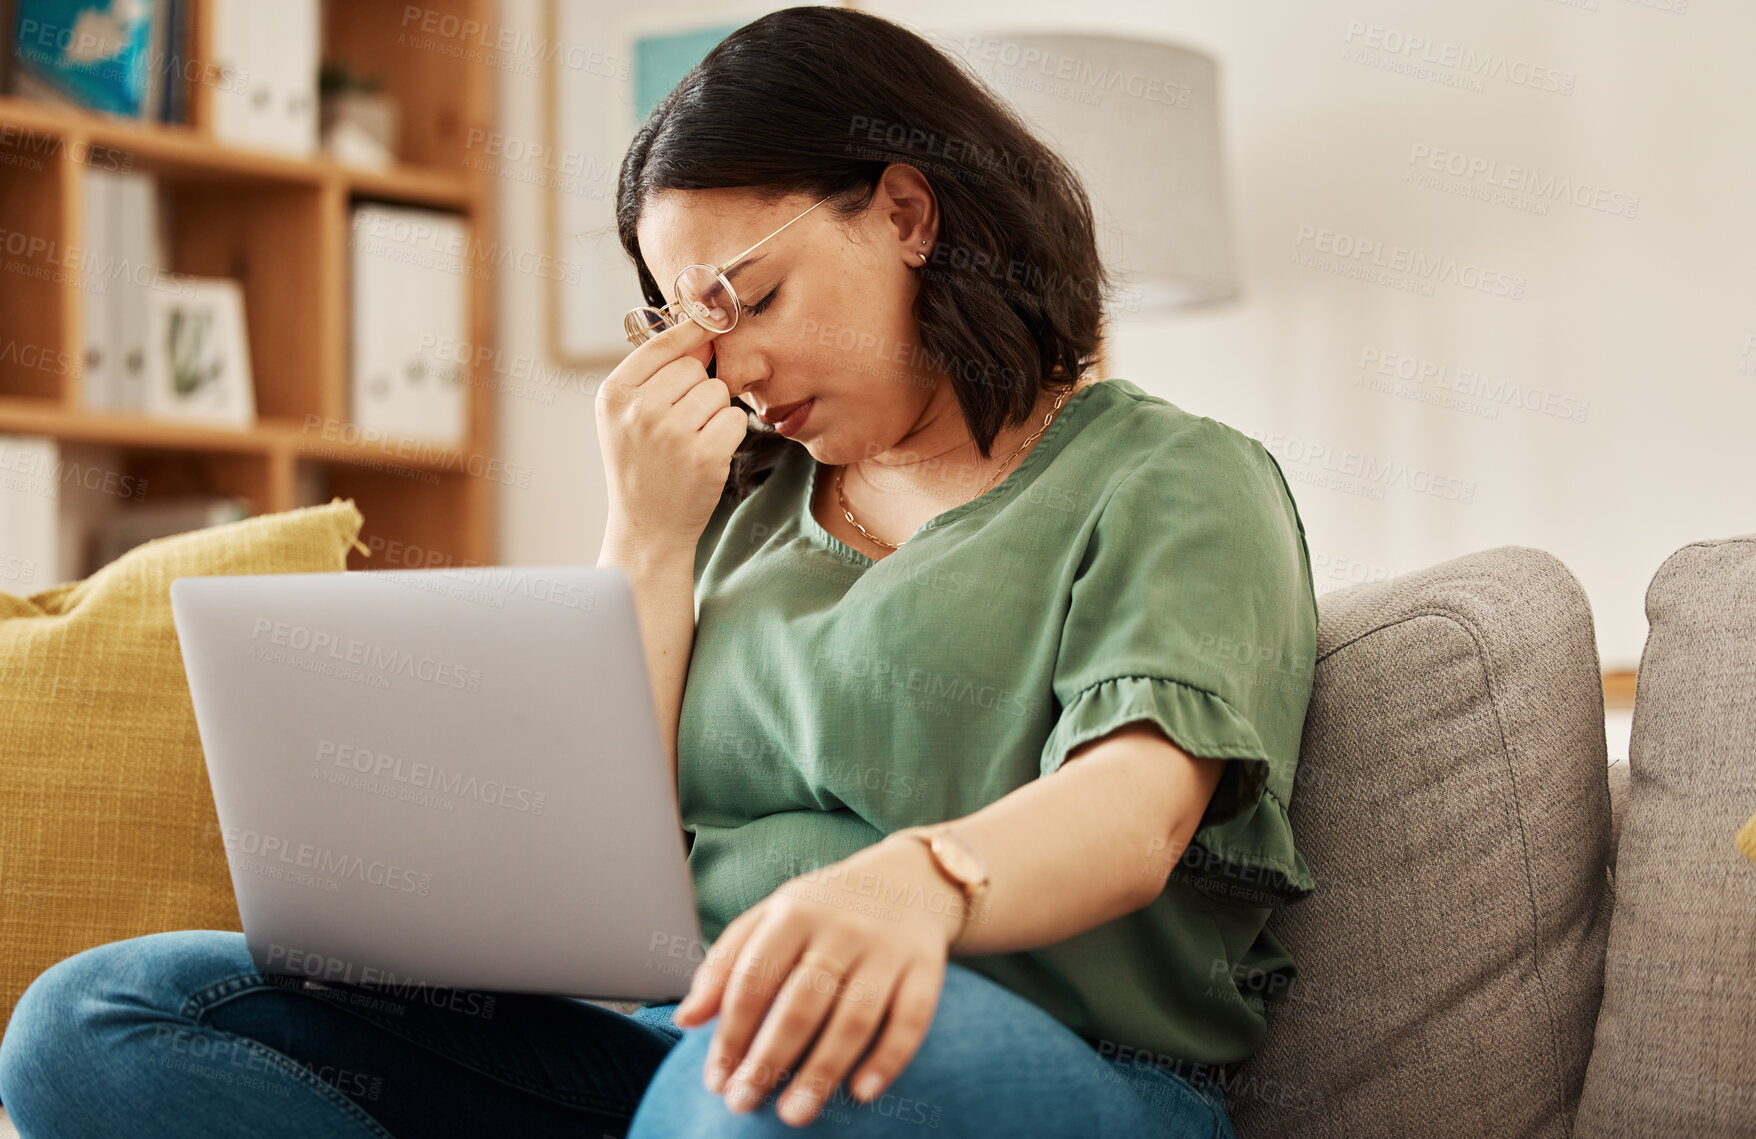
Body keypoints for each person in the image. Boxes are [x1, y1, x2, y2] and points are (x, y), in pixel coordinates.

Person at [0, 8, 1316, 1137]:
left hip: (1016, 1056)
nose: (724, 367)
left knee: (789, 1064)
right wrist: (644, 535)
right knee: (96, 1018)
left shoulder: (1171, 478)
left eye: (747, 299)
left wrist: (914, 884)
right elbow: (593, 848)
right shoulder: (740, 514)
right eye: (684, 325)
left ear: (909, 214)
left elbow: (1138, 809)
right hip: (671, 1052)